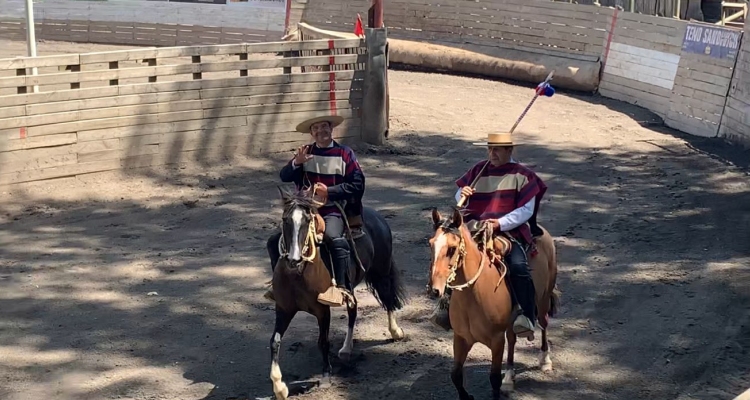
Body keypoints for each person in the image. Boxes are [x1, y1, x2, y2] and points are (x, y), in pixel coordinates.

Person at [434, 131, 547, 339]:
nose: (491, 153)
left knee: (518, 266)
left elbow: (526, 210)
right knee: (452, 256)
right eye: (489, 149)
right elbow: (459, 196)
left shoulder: (523, 175)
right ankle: (445, 306)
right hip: (475, 228)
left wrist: (500, 223)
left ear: (509, 150)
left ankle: (527, 314)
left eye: (496, 149)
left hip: (508, 232)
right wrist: (463, 194)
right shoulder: (479, 169)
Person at [265, 114, 365, 307]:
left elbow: (358, 184)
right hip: (304, 209)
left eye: (324, 127)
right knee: (274, 241)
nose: (320, 131)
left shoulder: (345, 153)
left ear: (331, 129)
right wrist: (296, 163)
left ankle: (342, 288)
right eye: (316, 129)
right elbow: (285, 176)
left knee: (334, 238)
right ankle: (277, 284)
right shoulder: (306, 152)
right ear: (311, 133)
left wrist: (331, 191)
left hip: (333, 208)